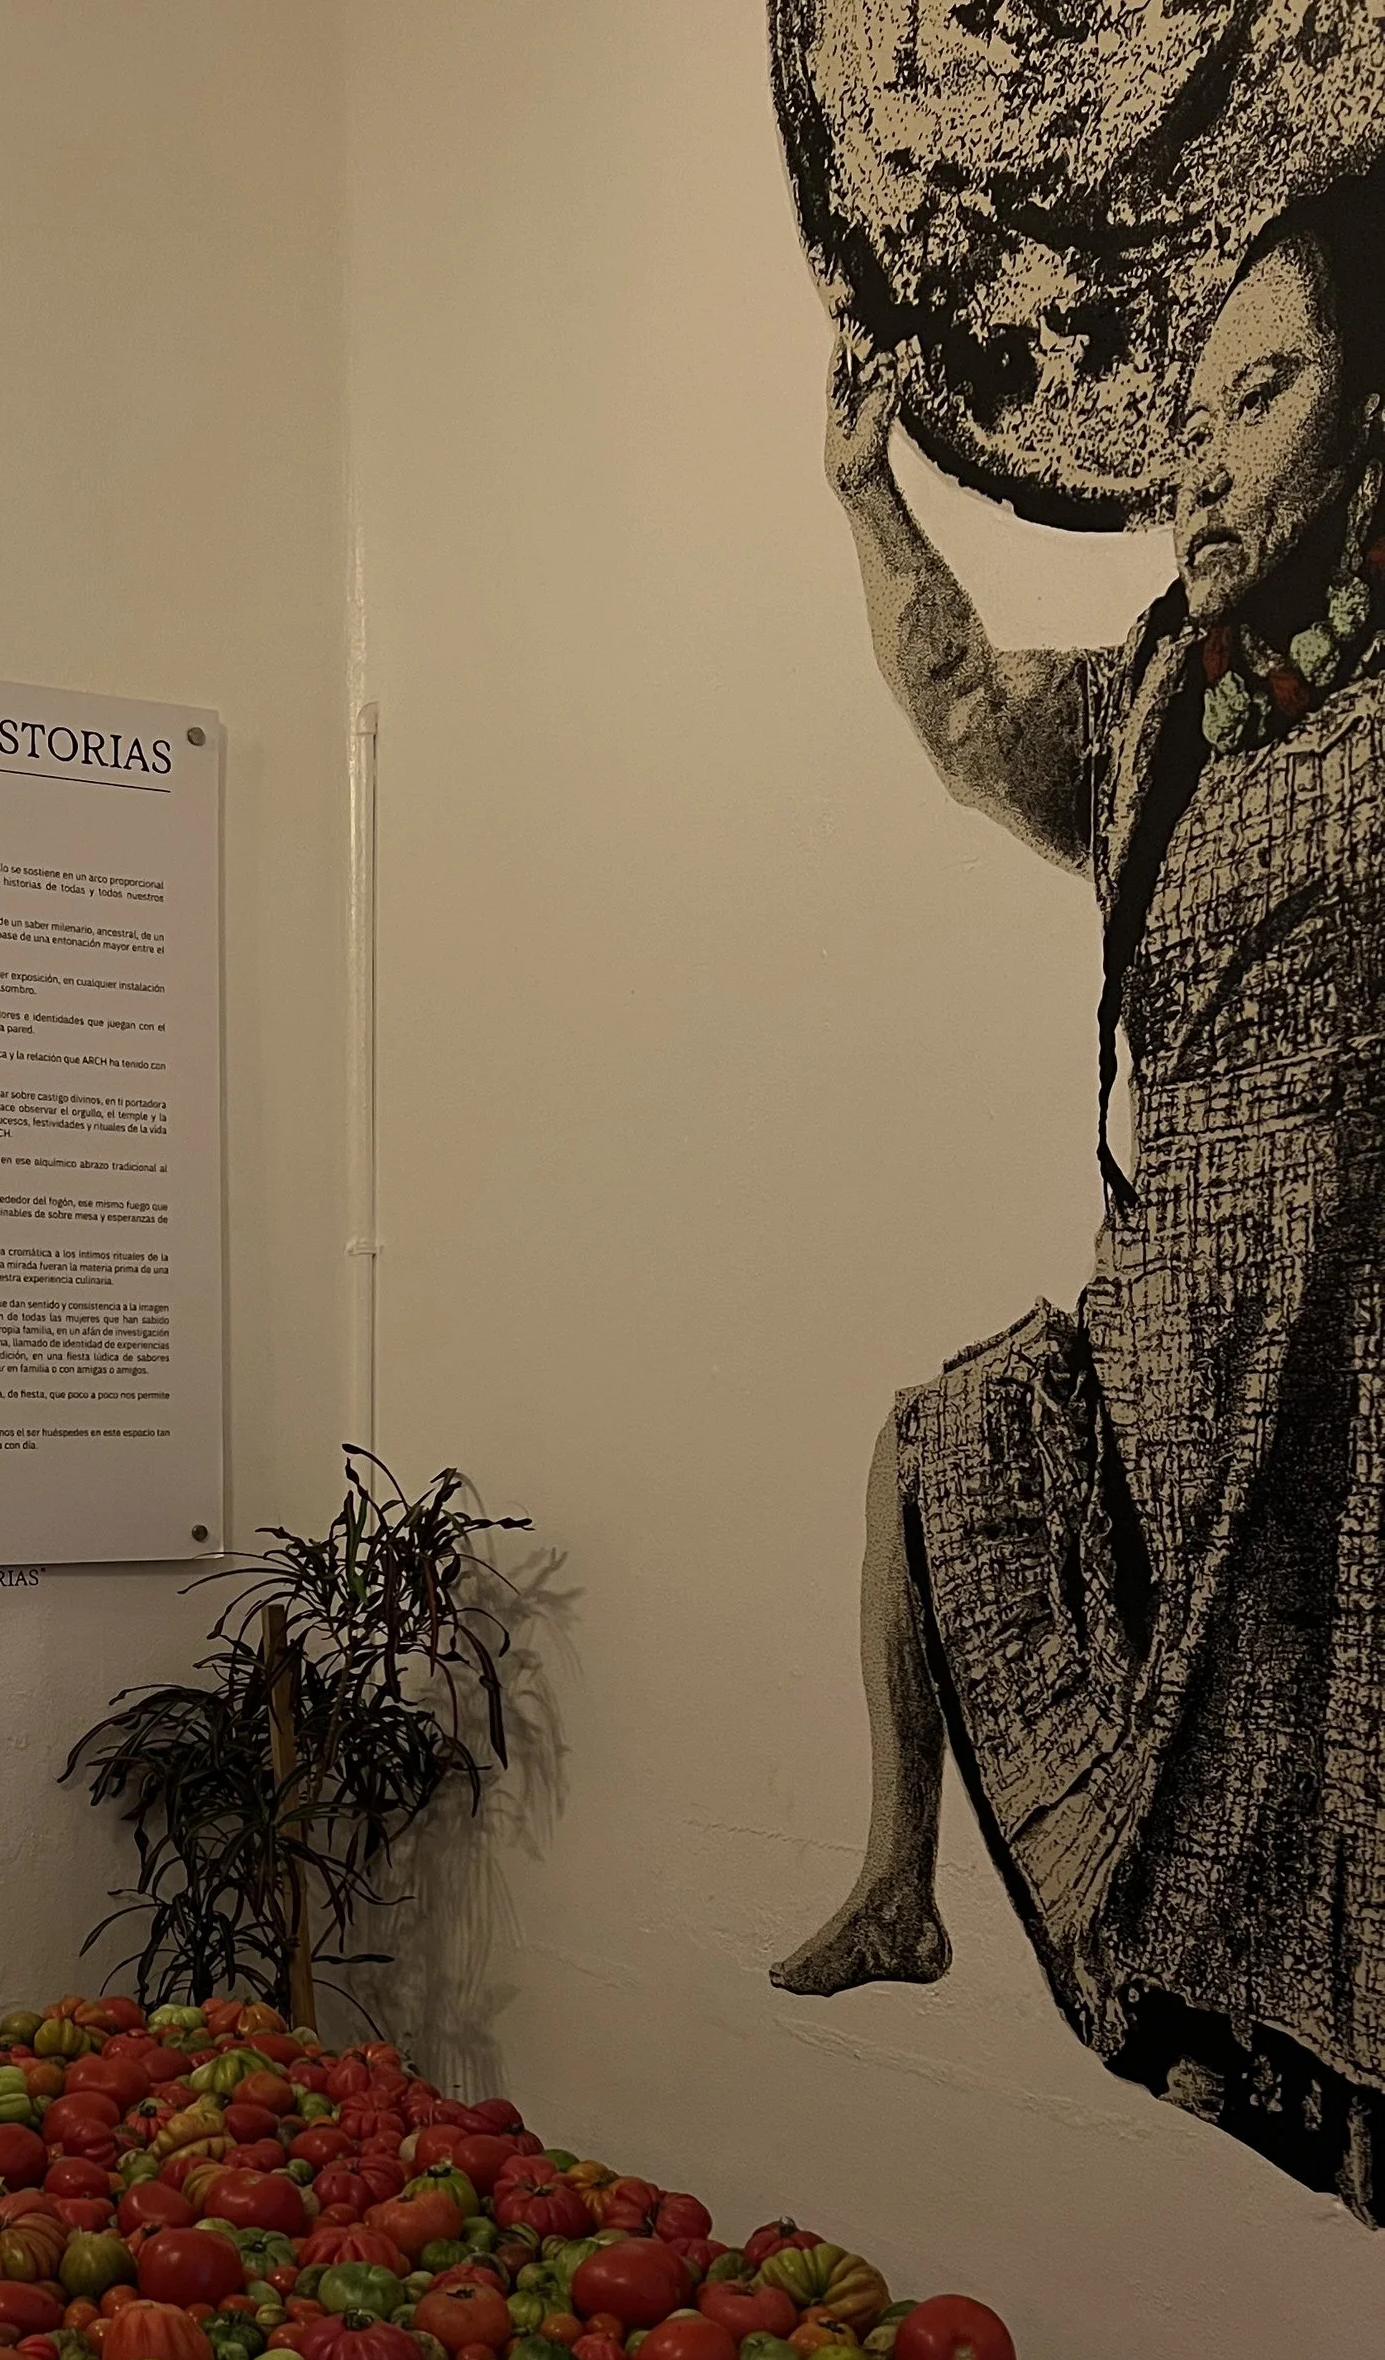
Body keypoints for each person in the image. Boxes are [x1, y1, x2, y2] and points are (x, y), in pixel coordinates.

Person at [774, 174, 1385, 2213]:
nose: (1204, 464)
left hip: (1340, 1373)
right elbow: (958, 708)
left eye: (1262, 393)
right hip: (1162, 1346)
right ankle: (894, 1882)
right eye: (1192, 413)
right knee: (939, 1440)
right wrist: (865, 494)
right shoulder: (1156, 714)